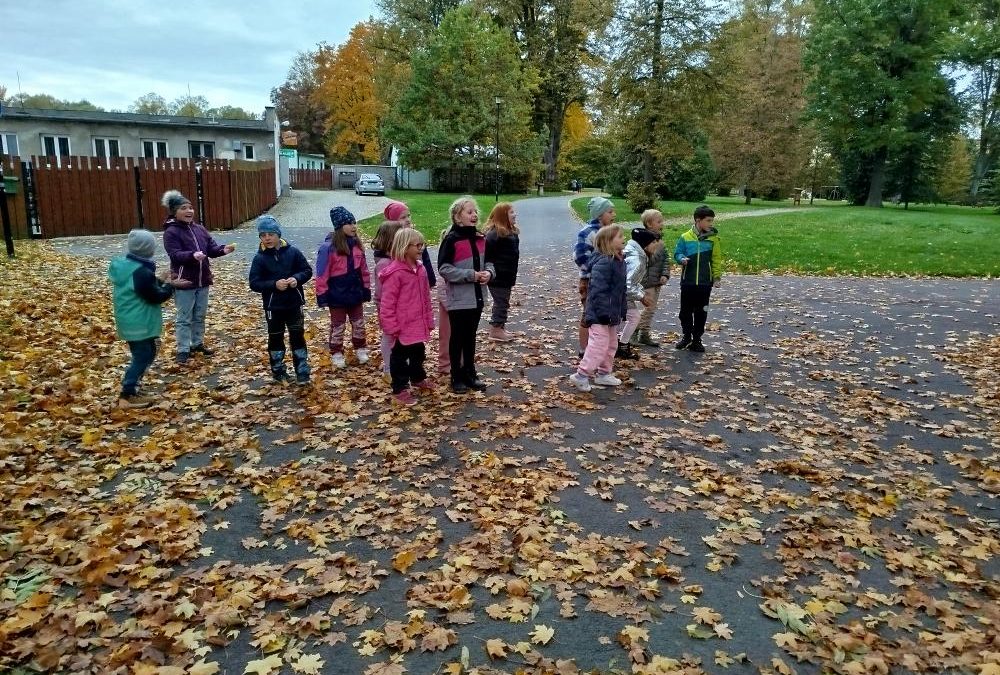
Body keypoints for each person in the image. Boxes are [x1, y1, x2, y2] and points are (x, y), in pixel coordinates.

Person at [109, 229, 191, 408]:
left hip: (130, 319)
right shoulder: (141, 272)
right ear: (148, 249)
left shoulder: (129, 267)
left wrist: (160, 280)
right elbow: (155, 296)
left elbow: (143, 288)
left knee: (148, 352)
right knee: (143, 355)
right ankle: (127, 395)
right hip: (138, 321)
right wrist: (170, 286)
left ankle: (134, 388)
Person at [161, 190, 235, 363]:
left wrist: (223, 250)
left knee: (200, 314)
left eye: (190, 207)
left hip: (203, 280)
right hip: (184, 281)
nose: (189, 211)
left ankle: (197, 343)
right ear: (174, 212)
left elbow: (211, 249)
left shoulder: (199, 229)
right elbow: (175, 254)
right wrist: (191, 255)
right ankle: (183, 349)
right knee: (184, 316)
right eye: (183, 208)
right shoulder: (171, 232)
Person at [437, 196, 495, 393]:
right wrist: (469, 275)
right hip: (459, 298)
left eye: (475, 212)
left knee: (470, 337)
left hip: (477, 297)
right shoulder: (451, 240)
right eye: (469, 212)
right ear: (457, 217)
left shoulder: (480, 238)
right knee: (458, 337)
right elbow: (444, 268)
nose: (474, 215)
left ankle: (470, 373)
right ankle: (457, 375)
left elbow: (489, 262)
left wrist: (489, 273)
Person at [248, 215, 313, 385]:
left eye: (270, 234)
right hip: (273, 307)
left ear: (278, 234)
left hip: (294, 304)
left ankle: (302, 371)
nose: (267, 238)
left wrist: (296, 279)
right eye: (263, 235)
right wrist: (273, 284)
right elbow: (254, 283)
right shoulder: (259, 258)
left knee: (297, 336)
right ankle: (278, 370)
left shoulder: (293, 252)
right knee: (275, 338)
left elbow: (307, 270)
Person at [378, 228, 436, 406]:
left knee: (419, 353)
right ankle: (400, 388)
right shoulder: (395, 273)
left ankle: (417, 377)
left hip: (418, 323)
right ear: (404, 247)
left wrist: (429, 319)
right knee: (399, 358)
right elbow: (387, 303)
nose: (421, 249)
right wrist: (391, 326)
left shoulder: (421, 269)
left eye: (422, 245)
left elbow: (426, 297)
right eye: (417, 245)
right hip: (402, 326)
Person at [568, 225, 628, 392]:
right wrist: (603, 313)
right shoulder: (604, 262)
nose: (623, 238)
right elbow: (598, 291)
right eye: (619, 236)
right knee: (598, 344)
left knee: (611, 344)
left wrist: (621, 310)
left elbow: (621, 290)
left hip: (612, 313)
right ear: (608, 242)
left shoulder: (619, 261)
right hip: (600, 314)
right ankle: (581, 375)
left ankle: (603, 373)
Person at [315, 206, 372, 368]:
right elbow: (322, 273)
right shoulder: (328, 248)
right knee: (338, 326)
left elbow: (364, 270)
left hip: (355, 293)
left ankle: (360, 348)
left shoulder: (357, 246)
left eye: (354, 222)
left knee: (359, 323)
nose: (354, 226)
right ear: (340, 226)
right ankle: (336, 352)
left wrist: (366, 289)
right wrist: (322, 295)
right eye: (349, 223)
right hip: (336, 295)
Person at [673, 205, 722, 352]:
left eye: (712, 221)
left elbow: (716, 259)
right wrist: (681, 259)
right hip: (688, 282)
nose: (710, 224)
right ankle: (686, 336)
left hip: (704, 283)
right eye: (708, 221)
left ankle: (697, 340)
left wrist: (717, 277)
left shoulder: (713, 239)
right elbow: (677, 253)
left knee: (702, 311)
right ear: (697, 220)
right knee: (685, 312)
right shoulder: (685, 237)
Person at [573, 197, 616, 355]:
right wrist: (595, 271)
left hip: (607, 281)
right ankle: (584, 350)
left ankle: (599, 347)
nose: (614, 214)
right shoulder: (589, 233)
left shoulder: (610, 232)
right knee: (589, 314)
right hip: (590, 280)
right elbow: (580, 256)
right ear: (599, 215)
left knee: (604, 313)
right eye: (610, 212)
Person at [617, 228, 659, 359]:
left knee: (628, 318)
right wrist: (642, 297)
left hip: (620, 292)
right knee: (631, 318)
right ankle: (620, 346)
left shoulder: (636, 253)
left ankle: (621, 345)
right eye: (653, 243)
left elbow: (632, 282)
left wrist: (641, 293)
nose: (656, 245)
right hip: (618, 293)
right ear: (645, 244)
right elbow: (628, 284)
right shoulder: (637, 260)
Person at [371, 220, 405, 379]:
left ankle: (398, 364)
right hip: (389, 309)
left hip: (402, 307)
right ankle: (388, 368)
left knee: (400, 337)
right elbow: (382, 292)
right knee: (389, 336)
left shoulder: (398, 260)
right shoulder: (384, 264)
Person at [632, 209, 670, 347]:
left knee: (651, 309)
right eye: (659, 221)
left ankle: (644, 334)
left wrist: (665, 274)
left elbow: (665, 259)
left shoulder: (659, 239)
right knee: (649, 308)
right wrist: (658, 248)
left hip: (657, 280)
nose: (662, 223)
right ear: (649, 223)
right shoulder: (645, 240)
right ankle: (634, 331)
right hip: (647, 281)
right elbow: (647, 261)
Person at [483, 202, 520, 342]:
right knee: (501, 302)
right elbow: (487, 256)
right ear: (502, 216)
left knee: (503, 301)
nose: (515, 214)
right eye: (511, 212)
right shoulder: (494, 235)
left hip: (507, 275)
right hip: (497, 276)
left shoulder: (510, 233)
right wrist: (490, 272)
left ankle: (500, 327)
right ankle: (496, 329)